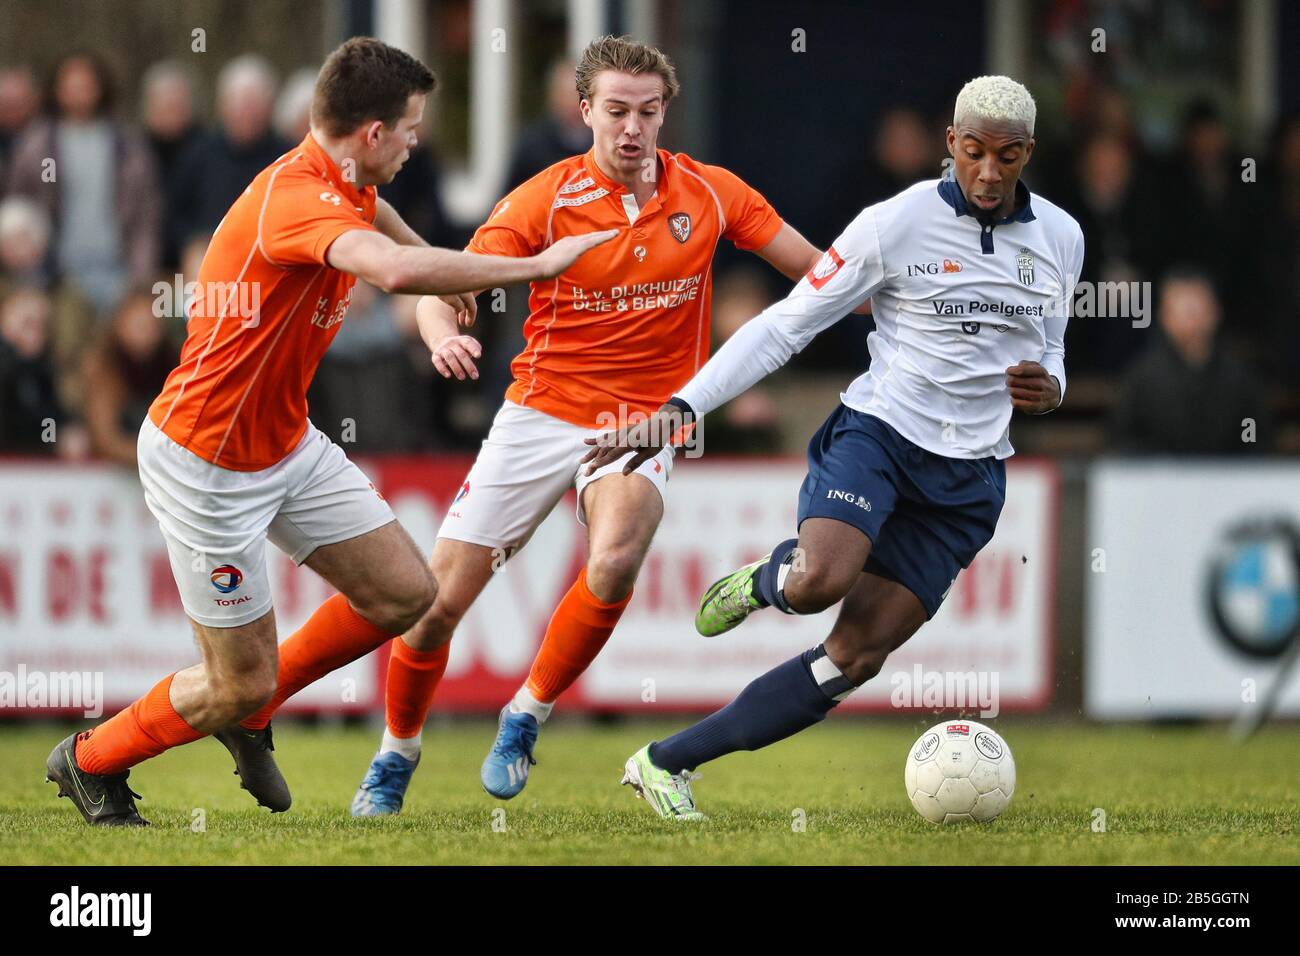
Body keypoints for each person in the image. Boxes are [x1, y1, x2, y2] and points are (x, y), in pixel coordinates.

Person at [42, 36, 614, 827]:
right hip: (205, 463)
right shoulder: (299, 199)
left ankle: (250, 711)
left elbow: (417, 273)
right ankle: (90, 759)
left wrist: (442, 321)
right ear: (372, 133)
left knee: (408, 594)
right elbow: (401, 272)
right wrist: (537, 269)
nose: (417, 143)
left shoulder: (354, 189)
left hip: (286, 444)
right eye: (410, 128)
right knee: (235, 678)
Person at [346, 34, 852, 816]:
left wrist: (905, 296)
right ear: (585, 111)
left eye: (648, 112)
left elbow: (819, 277)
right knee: (434, 604)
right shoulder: (544, 197)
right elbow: (442, 284)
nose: (632, 129)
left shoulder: (711, 193)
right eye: (615, 110)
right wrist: (444, 334)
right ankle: (395, 753)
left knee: (615, 556)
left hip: (644, 421)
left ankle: (526, 715)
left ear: (663, 114)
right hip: (541, 413)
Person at [583, 75, 1083, 819]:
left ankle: (665, 763)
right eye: (972, 151)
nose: (987, 172)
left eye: (1005, 157)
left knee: (854, 659)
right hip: (879, 436)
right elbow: (787, 324)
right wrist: (680, 408)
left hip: (970, 480)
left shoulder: (1061, 238)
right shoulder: (893, 224)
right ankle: (767, 581)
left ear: (1027, 154)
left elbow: (1054, 352)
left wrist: (1054, 389)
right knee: (819, 580)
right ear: (950, 144)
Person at [1110, 269, 1271, 454]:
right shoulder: (1141, 379)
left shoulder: (1240, 379)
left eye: (1196, 309)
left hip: (1228, 479)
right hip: (1159, 479)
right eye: (1183, 310)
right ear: (1164, 317)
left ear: (1215, 312)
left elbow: (1256, 440)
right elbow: (1122, 441)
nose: (1191, 319)